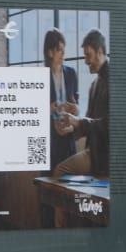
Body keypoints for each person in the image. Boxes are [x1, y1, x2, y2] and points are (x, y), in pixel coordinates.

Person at [52, 29, 109, 179]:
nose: (85, 61)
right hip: (95, 151)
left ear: (100, 51)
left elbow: (112, 125)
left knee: (60, 170)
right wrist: (70, 128)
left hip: (106, 155)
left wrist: (77, 121)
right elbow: (89, 123)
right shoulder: (94, 85)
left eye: (88, 55)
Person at [43, 29, 80, 171]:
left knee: (71, 183)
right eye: (59, 50)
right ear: (50, 52)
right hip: (51, 140)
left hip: (69, 136)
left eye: (64, 50)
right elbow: (34, 113)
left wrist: (76, 109)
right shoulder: (40, 77)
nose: (63, 54)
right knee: (50, 182)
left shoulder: (71, 74)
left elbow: (76, 105)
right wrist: (50, 108)